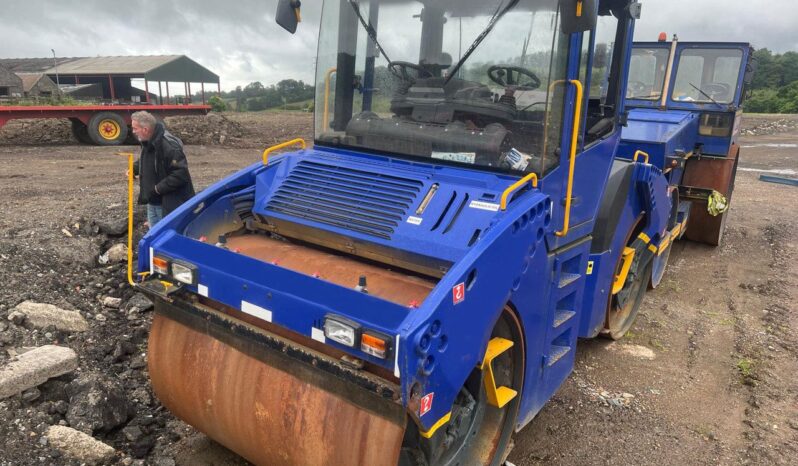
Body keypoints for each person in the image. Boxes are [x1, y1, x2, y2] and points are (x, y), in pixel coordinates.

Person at [130, 111, 195, 228]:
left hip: (167, 204)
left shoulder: (169, 146)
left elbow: (180, 174)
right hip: (153, 201)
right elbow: (147, 158)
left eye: (135, 128)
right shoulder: (147, 142)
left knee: (165, 235)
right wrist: (134, 168)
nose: (133, 131)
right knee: (154, 235)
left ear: (145, 129)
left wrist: (157, 189)